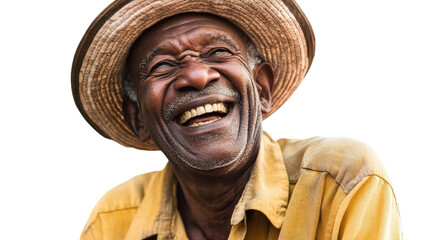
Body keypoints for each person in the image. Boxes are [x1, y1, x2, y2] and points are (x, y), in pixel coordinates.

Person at [72, 0, 402, 239]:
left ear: (261, 88)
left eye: (218, 52)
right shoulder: (113, 222)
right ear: (138, 120)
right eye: (162, 66)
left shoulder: (340, 182)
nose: (197, 75)